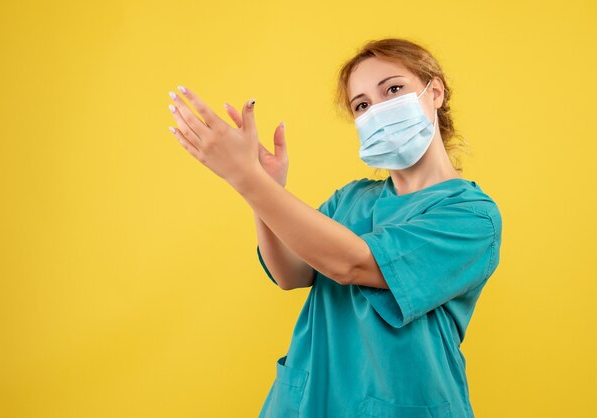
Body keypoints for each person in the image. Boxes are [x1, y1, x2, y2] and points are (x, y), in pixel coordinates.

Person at [167, 37, 502, 418]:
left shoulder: (471, 217)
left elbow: (353, 264)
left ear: (435, 91)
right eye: (362, 105)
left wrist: (246, 178)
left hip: (402, 405)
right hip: (312, 401)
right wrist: (263, 189)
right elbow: (289, 273)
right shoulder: (352, 198)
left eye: (393, 89)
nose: (378, 110)